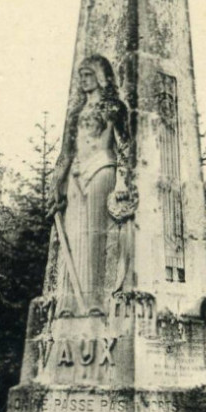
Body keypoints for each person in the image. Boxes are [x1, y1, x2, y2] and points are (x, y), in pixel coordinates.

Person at [50, 55, 134, 311]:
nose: (83, 80)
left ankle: (96, 303)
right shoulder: (76, 113)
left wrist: (122, 182)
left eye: (88, 74)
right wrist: (55, 183)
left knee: (95, 237)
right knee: (75, 236)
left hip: (102, 169)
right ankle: (70, 304)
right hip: (76, 175)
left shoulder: (114, 108)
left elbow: (125, 147)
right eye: (81, 75)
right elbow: (65, 152)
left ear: (100, 75)